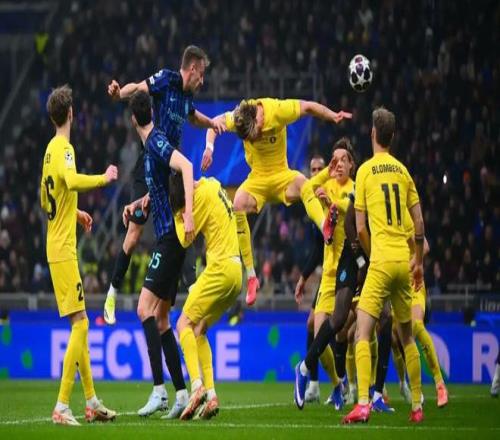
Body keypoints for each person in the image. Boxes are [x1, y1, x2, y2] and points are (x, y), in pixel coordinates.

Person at [104, 45, 224, 325]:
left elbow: (193, 116)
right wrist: (118, 94)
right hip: (150, 159)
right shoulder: (167, 79)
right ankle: (112, 292)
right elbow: (138, 88)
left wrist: (212, 123)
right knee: (134, 232)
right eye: (201, 75)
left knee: (180, 226)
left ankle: (190, 288)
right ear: (192, 69)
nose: (202, 81)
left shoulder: (186, 97)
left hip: (170, 168)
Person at [205, 98, 352, 306]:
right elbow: (212, 124)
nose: (254, 140)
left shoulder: (278, 110)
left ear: (258, 121)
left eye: (254, 134)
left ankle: (325, 226)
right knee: (237, 202)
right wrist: (209, 148)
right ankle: (252, 277)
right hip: (257, 180)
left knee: (304, 183)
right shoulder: (239, 118)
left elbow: (308, 107)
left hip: (282, 176)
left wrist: (332, 115)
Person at [41, 85, 118, 425]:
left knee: (79, 323)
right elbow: (70, 182)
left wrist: (74, 213)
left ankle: (91, 401)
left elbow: (47, 199)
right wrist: (104, 178)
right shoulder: (65, 148)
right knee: (82, 323)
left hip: (55, 244)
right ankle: (62, 405)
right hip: (63, 249)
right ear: (71, 113)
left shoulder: (49, 151)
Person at [343, 107, 425, 424]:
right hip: (404, 263)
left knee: (362, 333)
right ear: (393, 136)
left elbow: (360, 227)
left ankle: (363, 404)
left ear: (373, 134)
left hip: (380, 262)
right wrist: (418, 262)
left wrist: (372, 253)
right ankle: (417, 405)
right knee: (407, 337)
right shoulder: (403, 171)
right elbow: (419, 223)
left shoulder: (364, 171)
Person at [122, 91, 192, 419]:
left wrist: (189, 215)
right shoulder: (152, 148)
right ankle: (182, 393)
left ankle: (158, 391)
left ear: (133, 119)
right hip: (171, 238)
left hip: (170, 238)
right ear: (151, 110)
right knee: (161, 320)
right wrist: (138, 203)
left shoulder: (155, 143)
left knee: (143, 309)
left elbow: (186, 166)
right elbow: (160, 189)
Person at [168, 173, 242, 420]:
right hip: (236, 273)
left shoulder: (198, 197)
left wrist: (177, 214)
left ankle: (196, 386)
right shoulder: (213, 184)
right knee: (199, 329)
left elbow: (184, 238)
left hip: (220, 268)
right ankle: (211, 396)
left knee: (183, 324)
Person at [294, 139, 357, 410]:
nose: (338, 164)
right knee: (320, 334)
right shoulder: (325, 184)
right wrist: (324, 174)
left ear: (352, 165)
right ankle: (338, 385)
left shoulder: (355, 189)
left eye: (343, 160)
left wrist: (332, 202)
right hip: (329, 274)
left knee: (362, 328)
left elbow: (351, 208)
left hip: (350, 269)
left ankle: (373, 390)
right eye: (335, 160)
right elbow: (306, 189)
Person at [404, 212, 449, 407]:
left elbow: (425, 247)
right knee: (395, 338)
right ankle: (387, 391)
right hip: (394, 285)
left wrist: (408, 266)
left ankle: (439, 384)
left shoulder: (404, 217)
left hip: (413, 283)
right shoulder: (379, 219)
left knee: (416, 325)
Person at [295, 155, 326, 403]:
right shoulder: (312, 203)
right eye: (312, 169)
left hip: (350, 269)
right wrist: (304, 278)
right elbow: (318, 248)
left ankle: (353, 386)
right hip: (331, 273)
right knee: (313, 325)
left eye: (319, 169)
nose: (315, 173)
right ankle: (315, 384)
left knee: (349, 331)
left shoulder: (332, 196)